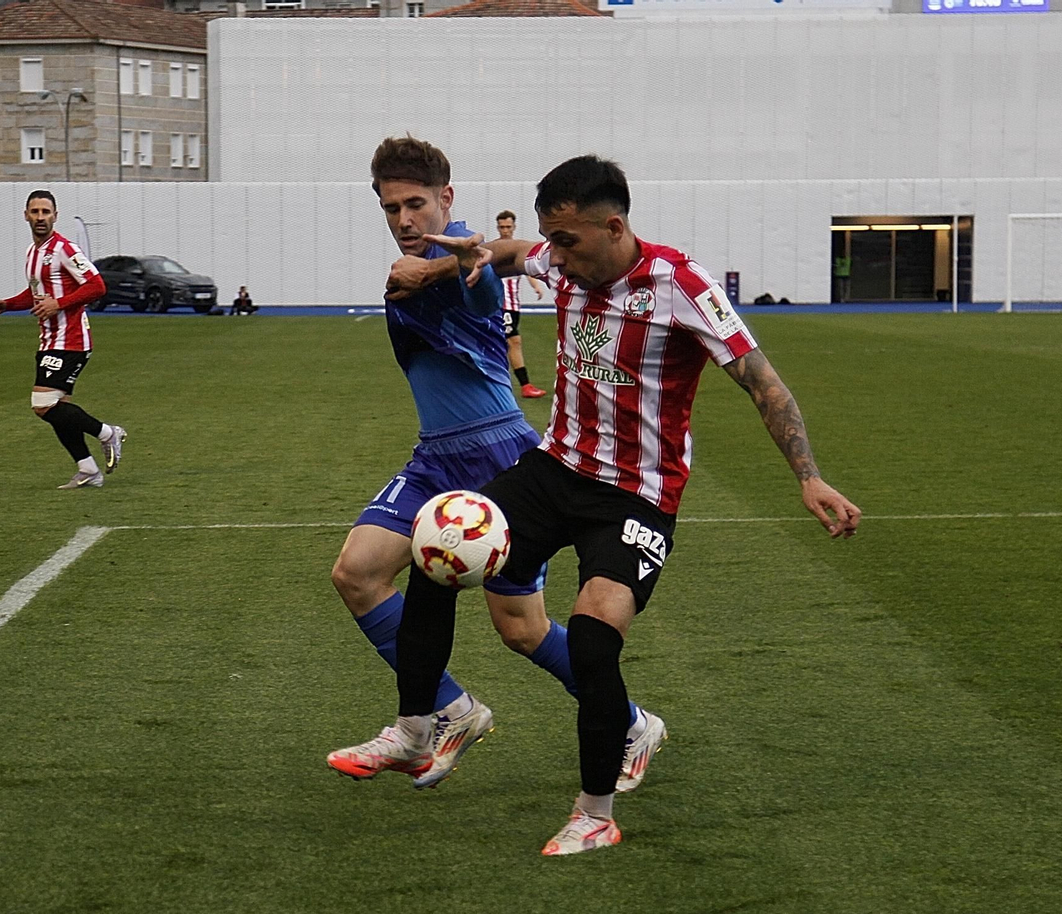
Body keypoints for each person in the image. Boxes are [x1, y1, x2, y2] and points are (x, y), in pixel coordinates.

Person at [412, 155, 862, 856]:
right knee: (434, 549)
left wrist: (809, 476)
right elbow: (509, 253)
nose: (553, 255)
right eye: (549, 239)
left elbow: (763, 382)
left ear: (614, 226)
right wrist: (455, 263)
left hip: (636, 495)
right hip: (554, 468)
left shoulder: (679, 284)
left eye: (566, 240)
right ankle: (426, 719)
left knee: (593, 639)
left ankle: (595, 811)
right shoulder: (561, 259)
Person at [326, 137, 665, 792]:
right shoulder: (414, 262)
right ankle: (448, 711)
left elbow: (483, 285)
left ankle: (630, 723)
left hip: (496, 457)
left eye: (416, 204)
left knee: (522, 629)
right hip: (435, 457)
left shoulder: (459, 255)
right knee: (356, 572)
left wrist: (456, 267)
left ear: (446, 199)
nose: (404, 219)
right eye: (391, 207)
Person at [0, 190, 127, 489]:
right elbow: (36, 294)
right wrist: (7, 304)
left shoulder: (64, 249)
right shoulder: (32, 253)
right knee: (60, 411)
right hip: (49, 339)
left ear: (55, 215)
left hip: (71, 339)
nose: (40, 217)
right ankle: (88, 470)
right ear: (25, 215)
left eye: (45, 212)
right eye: (35, 212)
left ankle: (108, 433)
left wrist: (58, 305)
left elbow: (97, 285)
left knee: (42, 404)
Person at [495, 210, 547, 399]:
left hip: (513, 305)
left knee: (509, 342)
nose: (505, 230)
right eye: (502, 227)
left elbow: (526, 270)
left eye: (508, 227)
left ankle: (506, 384)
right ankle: (524, 385)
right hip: (500, 306)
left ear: (514, 227)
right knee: (512, 341)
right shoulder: (495, 250)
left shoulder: (517, 248)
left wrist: (536, 286)